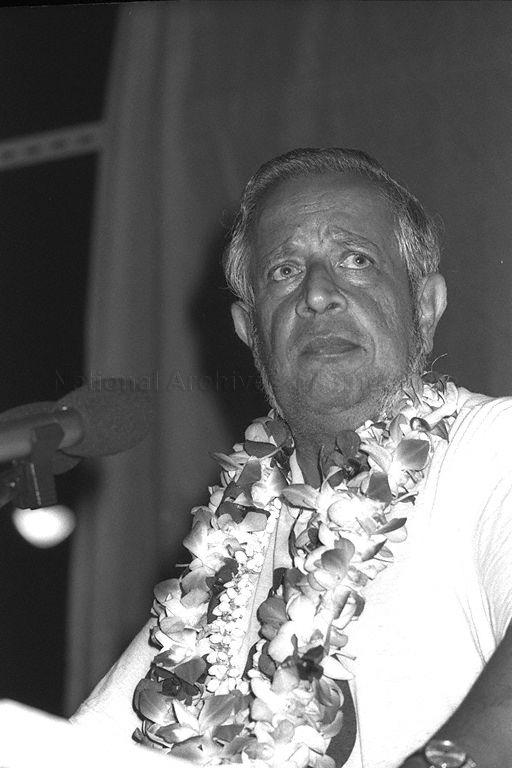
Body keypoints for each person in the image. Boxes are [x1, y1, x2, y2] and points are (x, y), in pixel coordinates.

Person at [72, 148, 512, 768]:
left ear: (425, 306)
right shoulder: (230, 551)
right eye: (284, 270)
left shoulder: (490, 448)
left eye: (357, 260)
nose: (318, 294)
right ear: (249, 328)